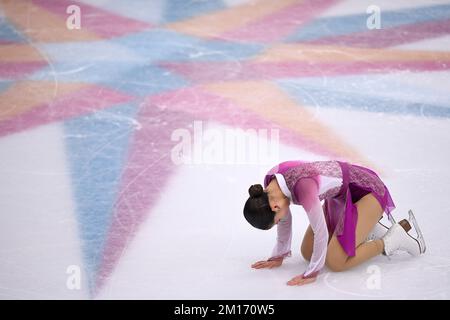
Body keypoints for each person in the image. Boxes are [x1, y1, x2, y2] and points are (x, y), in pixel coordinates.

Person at [243, 160, 425, 286]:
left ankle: (393, 239)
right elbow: (285, 219)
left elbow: (320, 232)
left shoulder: (303, 188)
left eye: (276, 221)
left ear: (274, 207)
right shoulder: (270, 184)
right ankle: (366, 226)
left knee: (336, 262)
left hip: (367, 191)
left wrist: (312, 273)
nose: (281, 222)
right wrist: (278, 255)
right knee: (307, 252)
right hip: (339, 197)